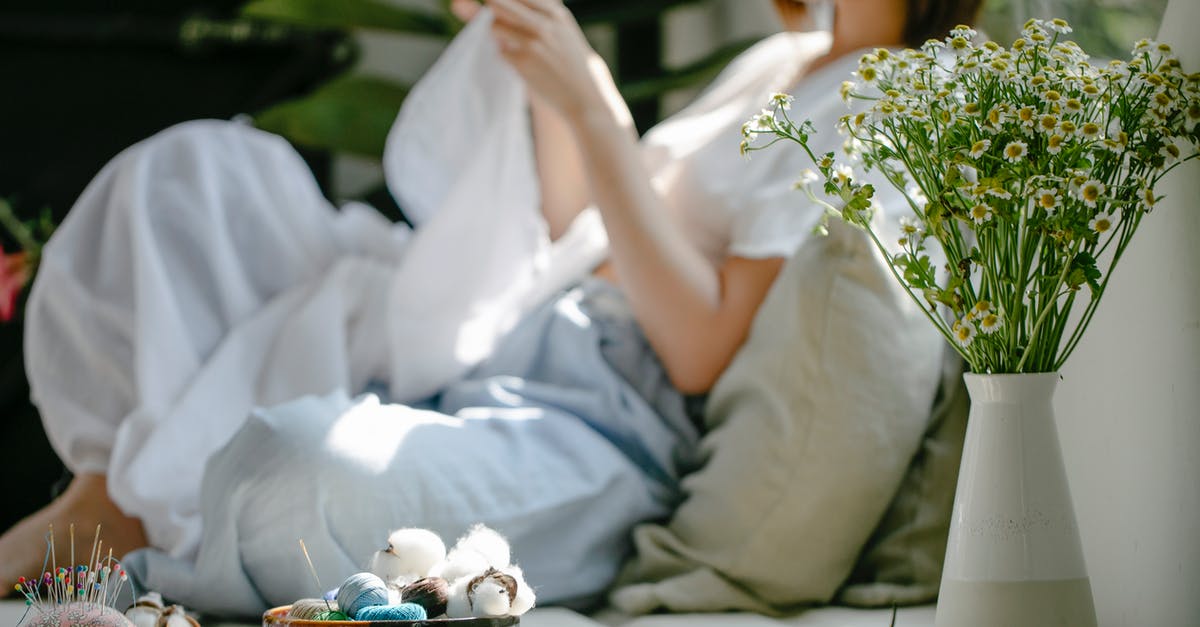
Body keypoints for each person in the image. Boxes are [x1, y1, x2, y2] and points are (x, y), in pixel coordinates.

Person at [0, 0, 982, 614]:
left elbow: (697, 351)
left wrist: (598, 111)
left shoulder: (887, 97)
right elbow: (584, 225)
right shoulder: (780, 61)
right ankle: (107, 505)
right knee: (192, 188)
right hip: (508, 334)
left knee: (288, 471)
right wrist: (547, 74)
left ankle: (118, 521)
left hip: (599, 419)